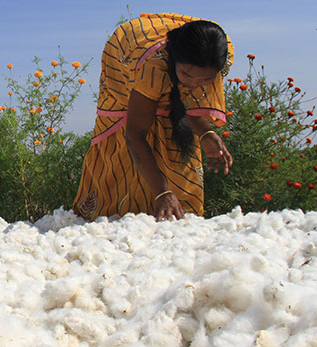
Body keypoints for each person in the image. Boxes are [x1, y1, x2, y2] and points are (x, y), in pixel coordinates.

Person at [73, 13, 234, 221]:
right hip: (123, 81)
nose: (195, 83)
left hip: (162, 74)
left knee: (181, 178)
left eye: (206, 79)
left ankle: (176, 209)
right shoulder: (152, 68)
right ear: (175, 60)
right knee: (121, 190)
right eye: (188, 75)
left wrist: (206, 132)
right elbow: (135, 135)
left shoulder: (218, 56)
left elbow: (185, 100)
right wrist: (162, 192)